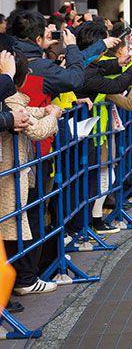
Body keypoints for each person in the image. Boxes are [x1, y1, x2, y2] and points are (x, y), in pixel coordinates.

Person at [1, 52, 60, 297]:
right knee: (13, 225)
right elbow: (35, 130)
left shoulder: (13, 99)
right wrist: (53, 116)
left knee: (15, 223)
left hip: (11, 171)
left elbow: (25, 112)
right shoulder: (11, 97)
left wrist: (43, 111)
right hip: (8, 173)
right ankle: (23, 281)